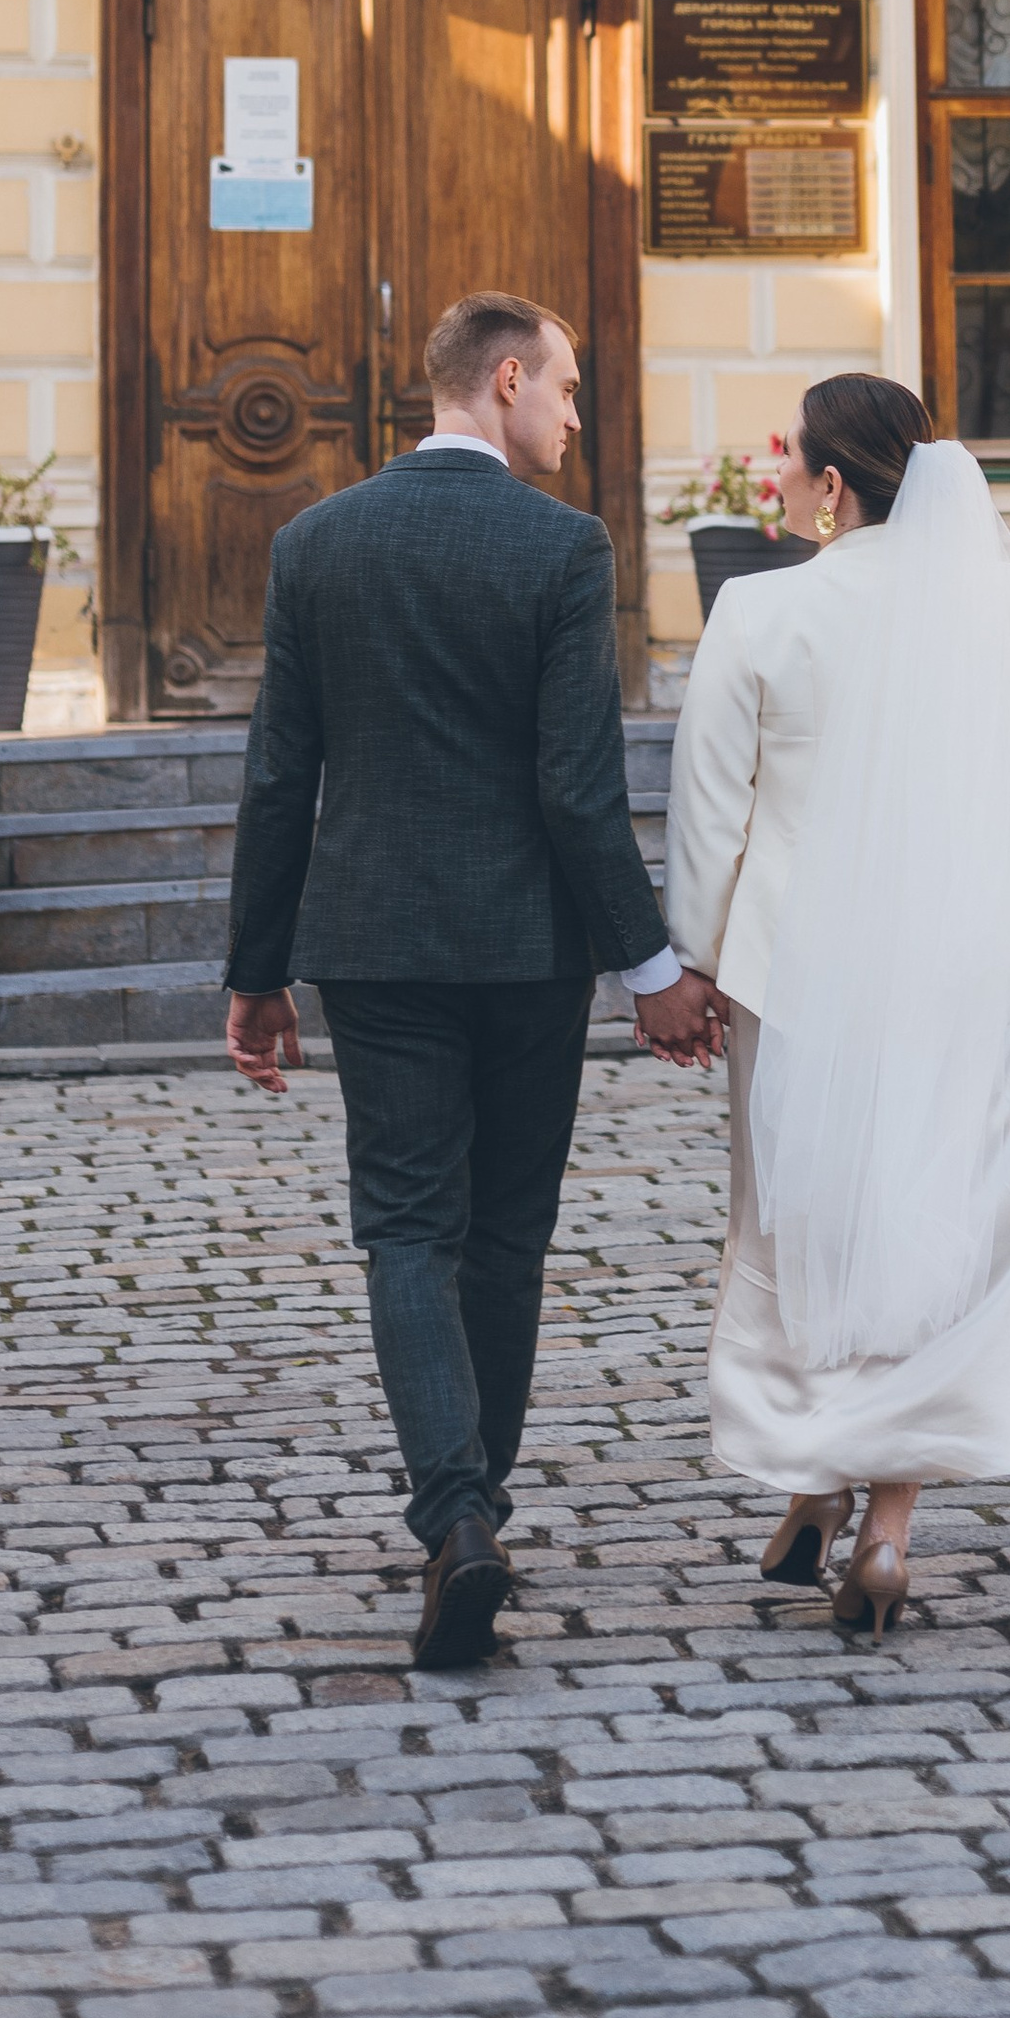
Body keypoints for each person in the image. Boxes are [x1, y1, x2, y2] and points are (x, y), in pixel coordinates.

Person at [224, 289, 724, 1668]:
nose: (574, 413)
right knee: (504, 1235)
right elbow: (577, 789)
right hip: (523, 949)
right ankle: (473, 1510)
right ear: (505, 381)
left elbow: (278, 775)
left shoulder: (316, 541)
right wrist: (649, 965)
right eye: (565, 386)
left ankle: (457, 1514)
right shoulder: (562, 546)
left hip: (374, 940)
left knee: (404, 1227)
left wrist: (257, 969)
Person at [665, 373, 1010, 1639]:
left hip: (795, 976)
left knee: (805, 1221)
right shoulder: (1002, 610)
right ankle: (883, 1532)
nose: (781, 480)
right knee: (944, 1230)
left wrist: (690, 964)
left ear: (829, 484)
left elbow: (709, 811)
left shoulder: (760, 609)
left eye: (792, 463)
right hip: (960, 976)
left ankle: (818, 1473)